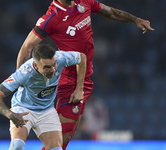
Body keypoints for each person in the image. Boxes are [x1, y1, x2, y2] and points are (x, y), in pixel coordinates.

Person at [16, 0, 154, 150]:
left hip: (84, 76)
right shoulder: (51, 18)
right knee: (63, 137)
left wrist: (135, 19)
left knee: (65, 136)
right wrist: (20, 82)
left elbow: (110, 12)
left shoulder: (84, 2)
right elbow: (26, 47)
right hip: (69, 79)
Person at [0, 44, 86, 150]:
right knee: (17, 146)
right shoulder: (24, 73)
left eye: (54, 64)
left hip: (46, 110)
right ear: (35, 66)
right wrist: (10, 114)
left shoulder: (61, 58)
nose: (53, 69)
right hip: (23, 109)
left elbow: (82, 57)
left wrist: (79, 89)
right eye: (47, 67)